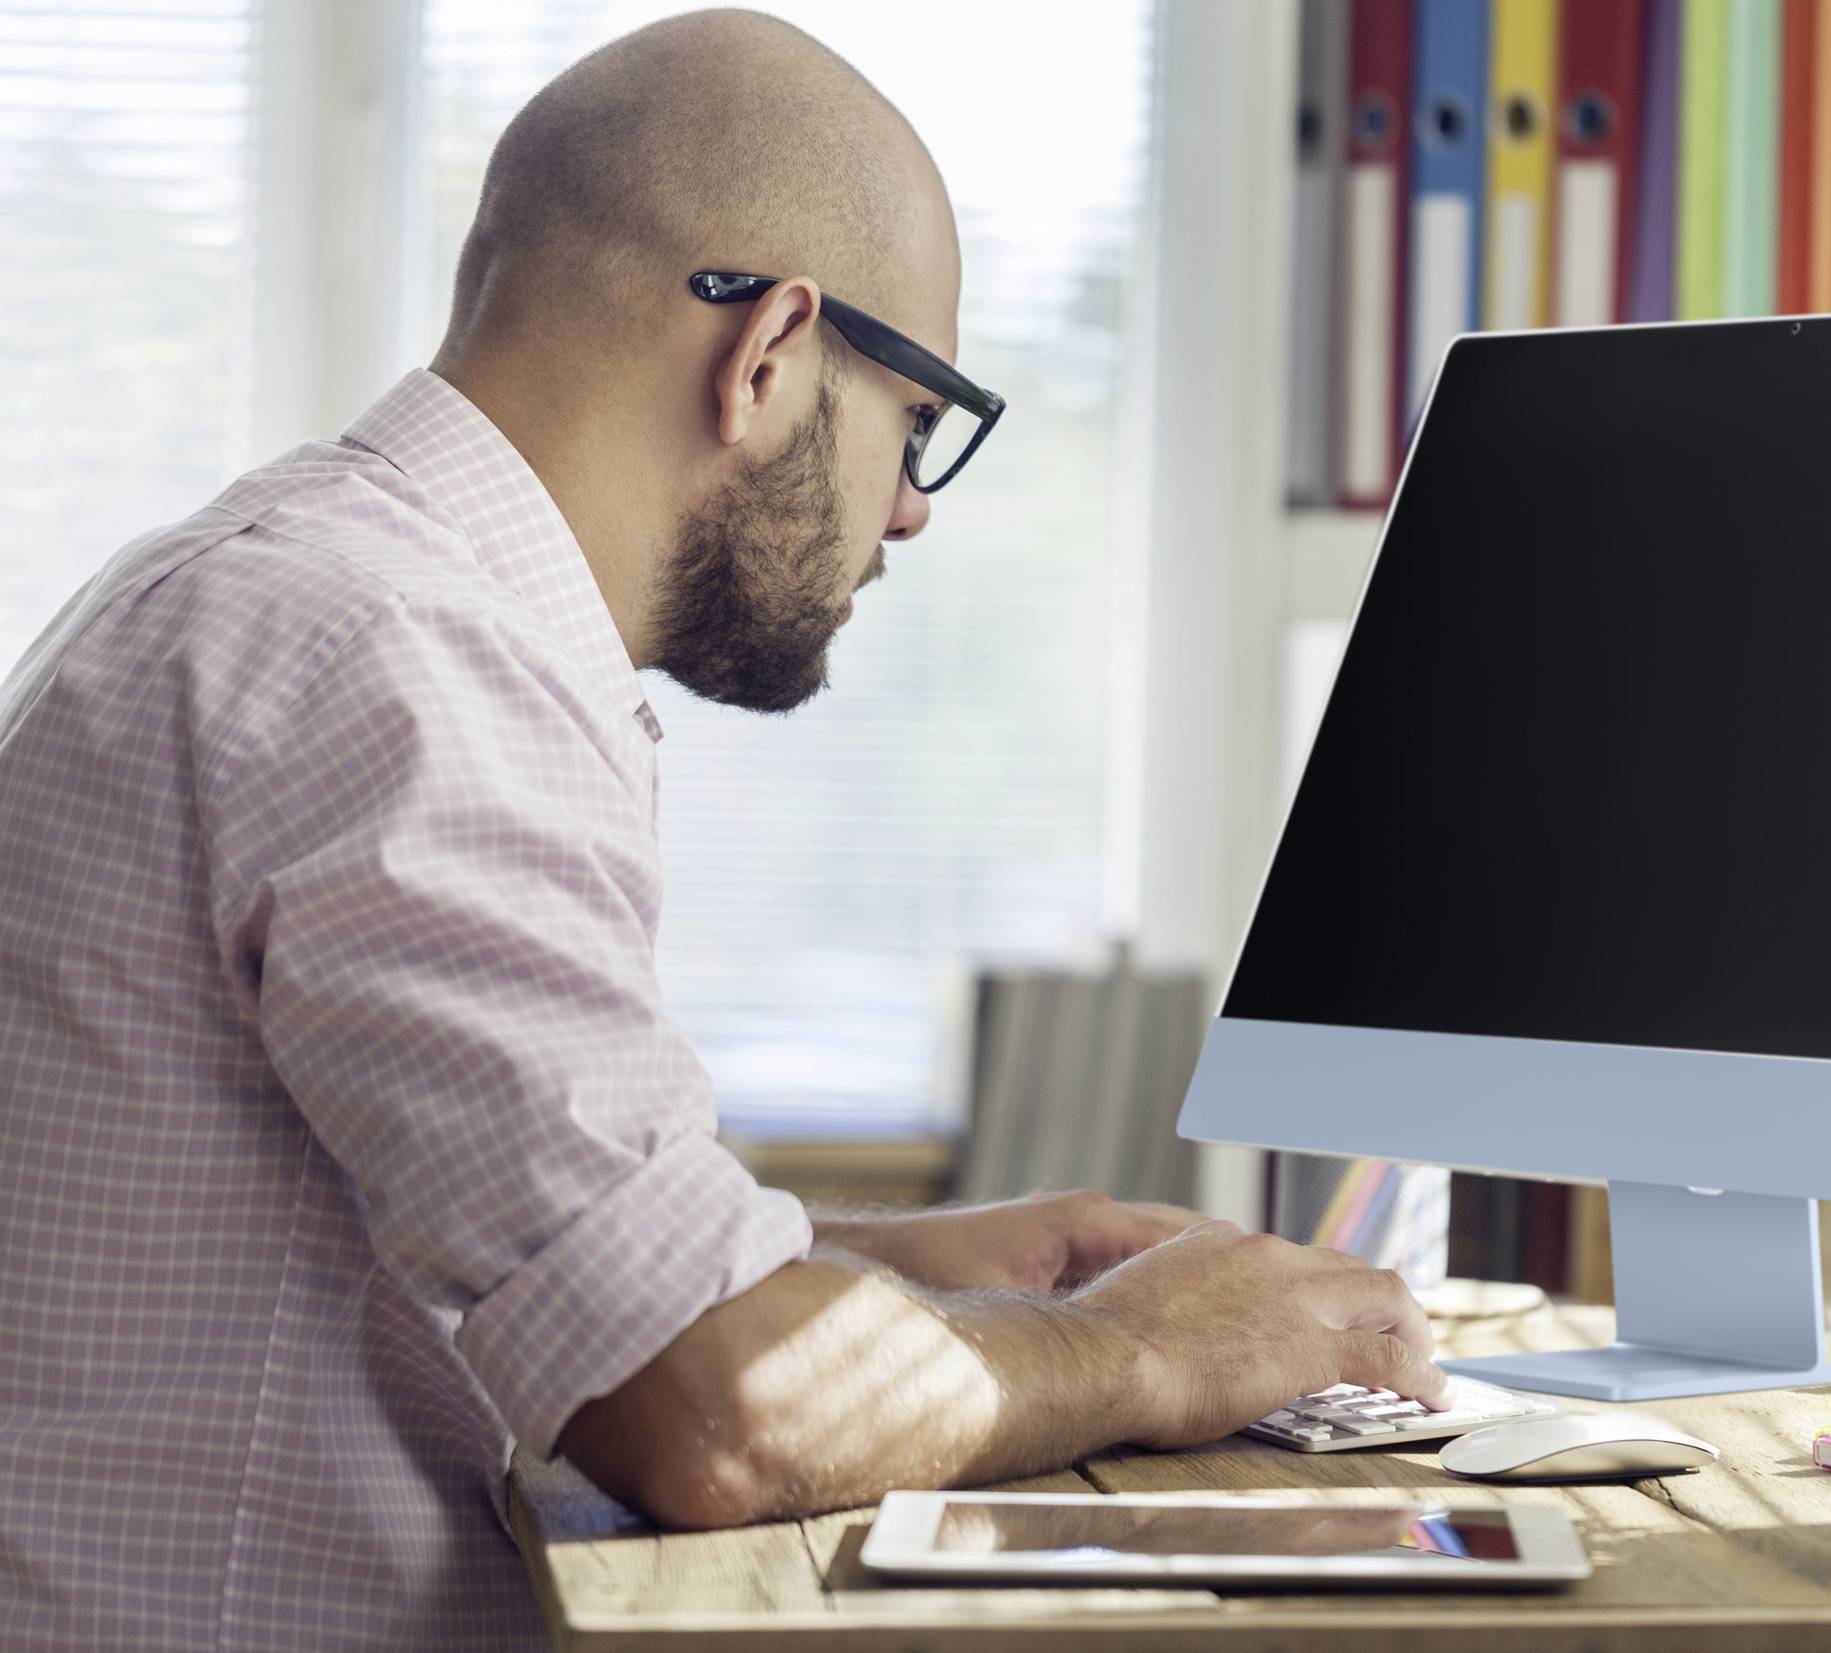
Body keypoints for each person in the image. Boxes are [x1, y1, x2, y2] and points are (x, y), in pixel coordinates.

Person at [0, 11, 1443, 1649]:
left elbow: (495, 1253)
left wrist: (914, 1270)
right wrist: (1157, 1344)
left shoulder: (285, 588)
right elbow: (717, 1408)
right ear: (768, 355)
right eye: (918, 423)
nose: (910, 507)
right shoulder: (402, 666)